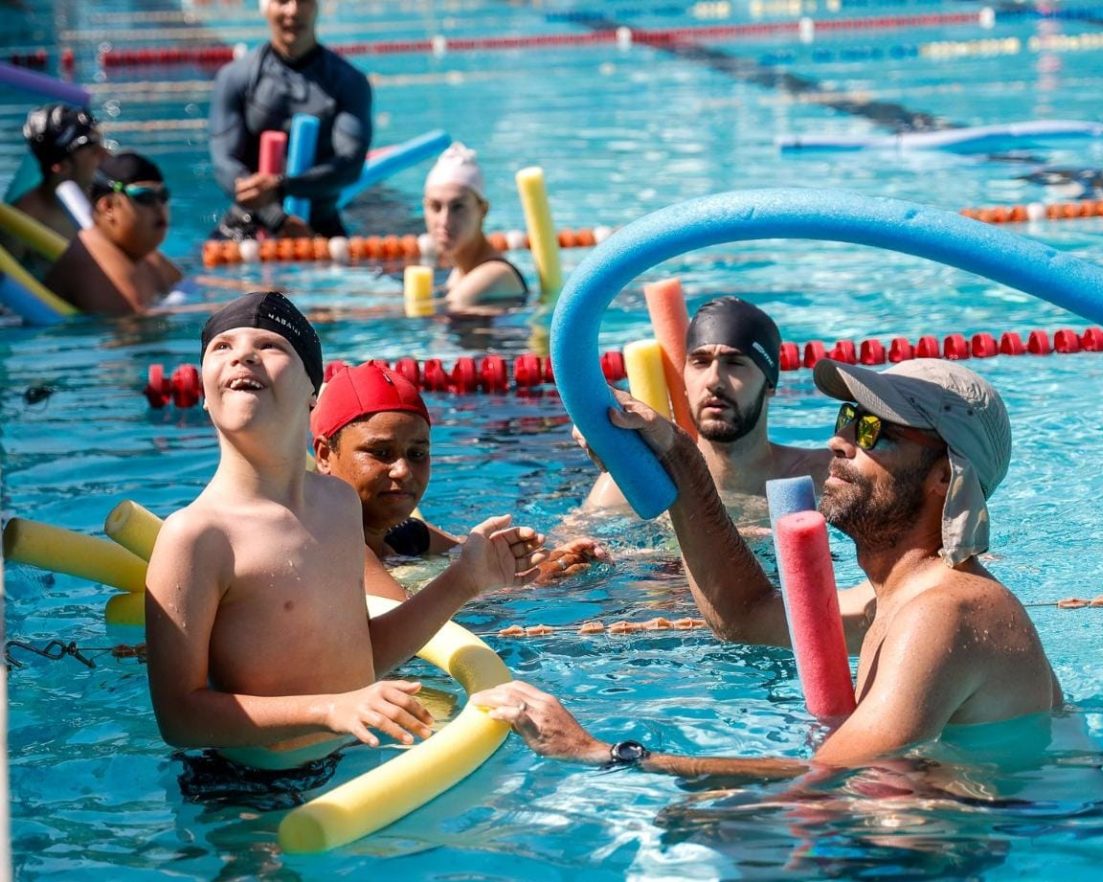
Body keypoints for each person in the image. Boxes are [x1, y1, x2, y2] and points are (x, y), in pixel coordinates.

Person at [476, 359, 1065, 781]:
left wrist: (602, 753)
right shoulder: (896, 598)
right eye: (844, 419)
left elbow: (824, 776)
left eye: (871, 431)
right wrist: (679, 456)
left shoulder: (949, 610)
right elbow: (746, 617)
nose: (838, 442)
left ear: (946, 479)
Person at [145, 291, 548, 769]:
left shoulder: (337, 505)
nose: (243, 354)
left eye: (269, 346)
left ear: (311, 392)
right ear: (207, 397)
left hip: (356, 753)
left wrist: (464, 579)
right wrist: (330, 709)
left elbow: (360, 664)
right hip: (250, 794)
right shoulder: (195, 537)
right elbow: (178, 719)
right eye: (222, 347)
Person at [310, 361, 608, 601]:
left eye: (417, 453)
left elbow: (476, 558)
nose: (403, 470)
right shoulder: (328, 540)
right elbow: (402, 626)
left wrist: (553, 559)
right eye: (381, 453)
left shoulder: (404, 535)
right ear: (324, 455)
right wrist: (511, 588)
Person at [583, 297, 830, 511]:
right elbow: (567, 551)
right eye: (700, 362)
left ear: (769, 384)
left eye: (734, 363)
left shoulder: (821, 477)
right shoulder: (640, 481)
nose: (713, 380)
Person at [208, 0, 372, 239]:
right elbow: (224, 163)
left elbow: (350, 165)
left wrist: (281, 187)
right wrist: (276, 218)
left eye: (304, 1)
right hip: (248, 222)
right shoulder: (236, 77)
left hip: (319, 225)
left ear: (317, 6)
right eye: (283, 1)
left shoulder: (349, 82)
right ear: (266, 8)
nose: (293, 11)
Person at [43, 152, 182, 315]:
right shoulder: (92, 262)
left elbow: (187, 285)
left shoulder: (140, 251)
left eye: (163, 196)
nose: (159, 207)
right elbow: (134, 326)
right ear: (108, 207)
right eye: (145, 197)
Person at [423, 143, 529, 310]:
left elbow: (430, 313)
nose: (444, 221)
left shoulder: (495, 274)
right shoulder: (459, 273)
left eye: (458, 207)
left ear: (482, 210)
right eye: (435, 207)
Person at [4, 104, 108, 271]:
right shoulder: (22, 224)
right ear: (61, 166)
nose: (106, 154)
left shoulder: (105, 200)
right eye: (94, 151)